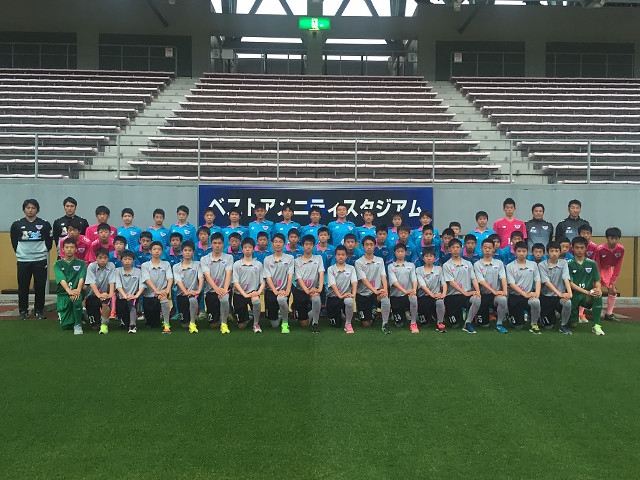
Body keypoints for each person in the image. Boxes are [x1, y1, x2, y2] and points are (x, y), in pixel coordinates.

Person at [10, 199, 53, 320]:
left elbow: (49, 241)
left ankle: (39, 311)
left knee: (40, 286)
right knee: (23, 287)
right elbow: (13, 241)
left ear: (37, 210)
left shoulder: (45, 224)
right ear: (24, 209)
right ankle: (23, 311)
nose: (30, 210)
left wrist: (44, 250)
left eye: (33, 208)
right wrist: (20, 252)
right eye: (28, 208)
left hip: (40, 260)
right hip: (23, 260)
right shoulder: (17, 224)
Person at [443, 238, 481, 333]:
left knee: (477, 299)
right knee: (454, 324)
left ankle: (468, 323)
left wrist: (477, 291)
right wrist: (464, 292)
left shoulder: (468, 263)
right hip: (452, 296)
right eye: (453, 247)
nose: (455, 250)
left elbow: (474, 278)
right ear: (449, 249)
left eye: (457, 247)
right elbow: (451, 282)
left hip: (467, 295)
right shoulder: (446, 265)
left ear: (461, 248)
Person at [355, 236, 391, 333]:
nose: (369, 247)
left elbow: (383, 276)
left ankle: (385, 324)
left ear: (375, 246)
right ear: (363, 246)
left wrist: (385, 290)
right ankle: (371, 314)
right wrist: (375, 291)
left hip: (376, 293)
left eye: (371, 244)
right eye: (366, 245)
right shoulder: (358, 262)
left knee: (384, 298)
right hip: (363, 294)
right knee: (366, 324)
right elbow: (364, 280)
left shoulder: (380, 260)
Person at [568, 236, 604, 335]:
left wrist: (598, 289)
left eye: (582, 247)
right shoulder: (568, 264)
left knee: (598, 295)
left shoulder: (592, 263)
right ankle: (571, 318)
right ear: (572, 248)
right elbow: (570, 283)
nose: (579, 250)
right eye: (577, 247)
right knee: (573, 324)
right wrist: (587, 292)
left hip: (587, 295)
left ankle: (596, 326)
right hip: (573, 295)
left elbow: (597, 280)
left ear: (586, 248)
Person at [473, 239, 509, 333]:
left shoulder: (499, 263)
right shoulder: (477, 264)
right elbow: (481, 281)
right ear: (481, 248)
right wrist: (494, 291)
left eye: (490, 248)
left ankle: (499, 324)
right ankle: (479, 316)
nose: (487, 250)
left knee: (503, 299)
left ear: (493, 249)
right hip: (483, 295)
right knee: (484, 325)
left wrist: (505, 291)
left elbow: (503, 278)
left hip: (495, 296)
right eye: (485, 248)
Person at [506, 241, 542, 334]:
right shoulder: (510, 266)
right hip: (515, 297)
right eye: (519, 251)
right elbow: (511, 284)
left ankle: (534, 323)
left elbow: (537, 280)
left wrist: (537, 294)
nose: (521, 253)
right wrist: (524, 294)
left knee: (536, 301)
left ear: (527, 252)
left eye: (524, 251)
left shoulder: (533, 265)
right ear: (515, 252)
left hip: (529, 295)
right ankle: (510, 316)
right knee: (518, 326)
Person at [201, 232, 233, 333]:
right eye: (215, 243)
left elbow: (228, 274)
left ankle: (224, 323)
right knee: (213, 325)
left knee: (224, 299)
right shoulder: (204, 259)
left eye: (219, 243)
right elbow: (207, 276)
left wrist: (224, 290)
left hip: (224, 289)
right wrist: (217, 290)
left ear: (223, 244)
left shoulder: (229, 257)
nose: (217, 246)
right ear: (211, 244)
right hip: (211, 291)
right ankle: (220, 315)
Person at [538, 241, 573, 334]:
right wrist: (559, 293)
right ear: (547, 252)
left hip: (559, 297)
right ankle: (544, 317)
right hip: (546, 297)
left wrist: (569, 293)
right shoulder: (541, 265)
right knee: (548, 327)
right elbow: (546, 282)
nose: (554, 253)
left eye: (556, 251)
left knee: (568, 303)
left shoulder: (563, 263)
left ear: (560, 252)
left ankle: (564, 325)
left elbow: (566, 278)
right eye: (552, 251)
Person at [262, 233, 294, 333]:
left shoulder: (290, 258)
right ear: (272, 244)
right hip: (271, 291)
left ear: (284, 244)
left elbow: (290, 275)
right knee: (274, 324)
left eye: (280, 242)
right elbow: (268, 277)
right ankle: (280, 315)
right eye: (275, 242)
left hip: (284, 291)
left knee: (281, 299)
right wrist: (275, 291)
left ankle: (285, 323)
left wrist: (287, 291)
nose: (278, 244)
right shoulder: (267, 259)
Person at [293, 235, 325, 333]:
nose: (308, 246)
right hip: (301, 291)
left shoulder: (318, 258)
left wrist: (319, 289)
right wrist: (307, 291)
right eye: (306, 244)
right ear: (302, 245)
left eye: (310, 244)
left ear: (313, 246)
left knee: (316, 298)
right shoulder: (296, 261)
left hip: (314, 290)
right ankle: (310, 312)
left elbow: (321, 273)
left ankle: (315, 323)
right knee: (304, 324)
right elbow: (298, 278)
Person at [53, 238, 86, 334]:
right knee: (66, 326)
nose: (69, 249)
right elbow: (61, 279)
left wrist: (78, 290)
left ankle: (78, 324)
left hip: (76, 292)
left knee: (77, 300)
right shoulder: (58, 264)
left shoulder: (81, 263)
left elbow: (81, 278)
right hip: (63, 294)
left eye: (72, 247)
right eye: (67, 247)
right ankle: (80, 314)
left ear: (76, 249)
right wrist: (69, 291)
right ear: (63, 249)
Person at [232, 238, 265, 332]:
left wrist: (258, 292)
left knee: (256, 301)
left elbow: (263, 282)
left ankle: (256, 323)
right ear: (242, 249)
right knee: (241, 326)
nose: (247, 249)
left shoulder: (258, 264)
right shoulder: (237, 264)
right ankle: (247, 317)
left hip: (253, 293)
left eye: (249, 247)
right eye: (245, 247)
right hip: (240, 294)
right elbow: (235, 282)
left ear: (253, 249)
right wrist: (244, 294)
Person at [140, 241, 174, 333]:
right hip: (149, 295)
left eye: (159, 249)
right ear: (150, 251)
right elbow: (147, 280)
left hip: (162, 294)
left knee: (164, 299)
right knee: (152, 323)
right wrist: (156, 291)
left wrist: (166, 291)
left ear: (162, 251)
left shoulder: (166, 264)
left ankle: (166, 324)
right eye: (154, 249)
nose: (157, 251)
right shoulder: (145, 265)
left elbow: (170, 278)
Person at [173, 240, 204, 333]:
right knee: (184, 324)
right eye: (185, 250)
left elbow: (201, 278)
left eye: (190, 250)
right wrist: (186, 292)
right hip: (182, 295)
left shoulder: (198, 264)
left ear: (193, 252)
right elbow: (178, 281)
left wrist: (198, 290)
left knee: (193, 300)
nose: (187, 252)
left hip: (195, 294)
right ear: (182, 252)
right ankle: (190, 316)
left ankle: (193, 322)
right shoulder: (176, 267)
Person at [326, 245, 358, 333]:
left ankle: (348, 323)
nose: (340, 257)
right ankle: (340, 314)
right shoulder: (330, 269)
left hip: (346, 296)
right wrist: (340, 296)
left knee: (349, 301)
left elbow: (354, 282)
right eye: (338, 254)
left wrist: (353, 294)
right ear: (335, 256)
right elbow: (333, 284)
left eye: (343, 254)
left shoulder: (351, 268)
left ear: (346, 256)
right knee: (336, 324)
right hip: (333, 297)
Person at [388, 243, 419, 332]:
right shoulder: (391, 266)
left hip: (408, 295)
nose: (400, 253)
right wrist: (404, 291)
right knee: (399, 324)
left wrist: (414, 290)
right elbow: (394, 282)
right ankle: (399, 315)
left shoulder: (411, 265)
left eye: (402, 251)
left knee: (414, 298)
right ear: (395, 253)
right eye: (398, 251)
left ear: (405, 253)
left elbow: (414, 279)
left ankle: (413, 323)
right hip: (396, 296)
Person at [85, 247, 116, 334]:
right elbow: (92, 282)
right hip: (92, 295)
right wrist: (99, 295)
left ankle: (104, 325)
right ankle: (86, 315)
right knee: (94, 327)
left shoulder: (111, 266)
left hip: (105, 294)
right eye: (100, 258)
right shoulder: (91, 266)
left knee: (105, 304)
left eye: (105, 258)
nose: (103, 260)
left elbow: (112, 281)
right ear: (96, 258)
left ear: (108, 258)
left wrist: (110, 295)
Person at [416, 247, 447, 333]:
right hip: (423, 297)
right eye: (426, 256)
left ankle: (440, 323)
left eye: (431, 256)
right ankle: (430, 316)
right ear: (423, 258)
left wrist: (443, 294)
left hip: (436, 297)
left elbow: (443, 283)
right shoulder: (418, 270)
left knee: (440, 302)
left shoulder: (439, 269)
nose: (429, 258)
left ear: (434, 258)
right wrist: (432, 294)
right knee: (425, 324)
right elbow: (422, 285)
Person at [596, 227, 624, 322]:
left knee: (613, 290)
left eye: (616, 238)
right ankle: (581, 313)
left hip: (609, 270)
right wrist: (597, 277)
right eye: (612, 238)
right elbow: (597, 263)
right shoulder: (600, 249)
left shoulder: (621, 249)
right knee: (595, 290)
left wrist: (614, 278)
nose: (614, 240)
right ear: (607, 238)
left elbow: (618, 264)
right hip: (598, 269)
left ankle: (609, 314)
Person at [114, 250, 145, 334]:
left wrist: (135, 296)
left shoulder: (138, 271)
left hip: (133, 297)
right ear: (121, 260)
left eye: (129, 259)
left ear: (133, 260)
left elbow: (142, 285)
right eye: (125, 259)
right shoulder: (117, 271)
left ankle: (132, 325)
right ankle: (122, 320)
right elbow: (118, 285)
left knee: (132, 304)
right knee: (124, 322)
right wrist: (125, 296)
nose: (127, 261)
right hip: (121, 297)